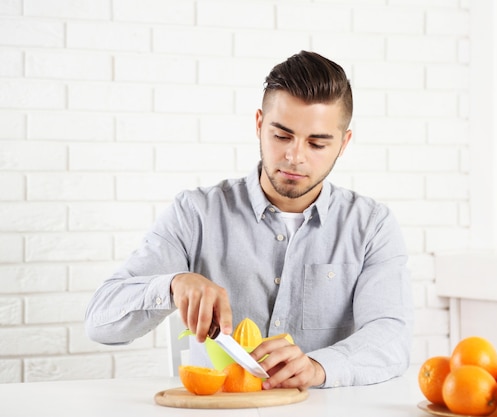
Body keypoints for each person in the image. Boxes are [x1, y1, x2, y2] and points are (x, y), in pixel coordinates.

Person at [85, 50, 413, 389]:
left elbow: (392, 337)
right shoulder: (196, 213)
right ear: (259, 124)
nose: (294, 156)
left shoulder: (371, 225)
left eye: (316, 143)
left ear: (343, 144)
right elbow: (100, 323)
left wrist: (317, 366)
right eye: (281, 135)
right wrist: (172, 285)